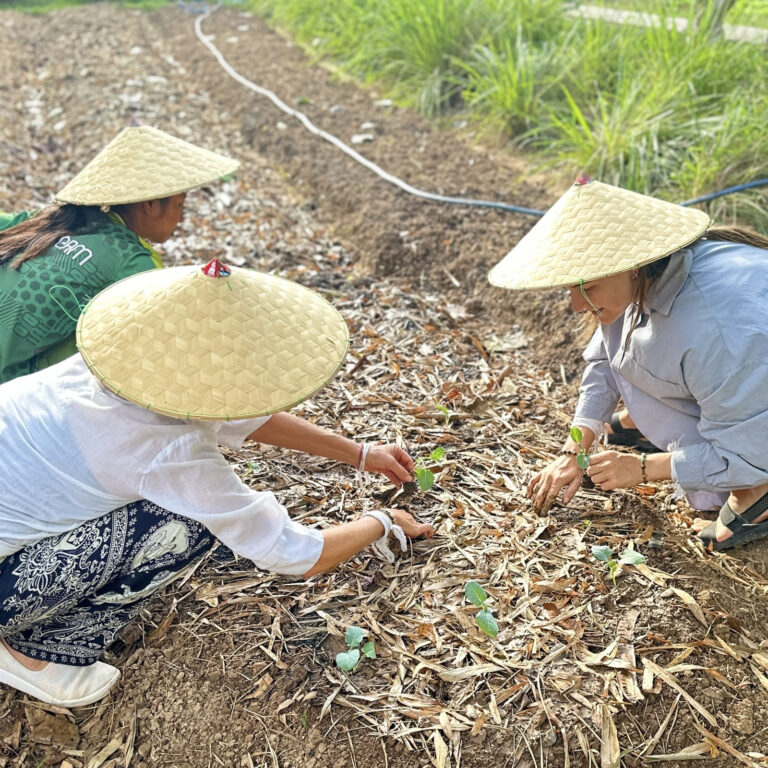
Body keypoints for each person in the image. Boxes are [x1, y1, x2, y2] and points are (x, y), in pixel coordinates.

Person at [0, 261, 433, 707]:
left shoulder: (104, 369)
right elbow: (295, 554)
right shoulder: (168, 448)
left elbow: (239, 414)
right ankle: (31, 652)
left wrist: (360, 454)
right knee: (185, 523)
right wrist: (383, 521)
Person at [487, 179, 768, 552]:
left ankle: (757, 494)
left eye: (584, 287)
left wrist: (640, 468)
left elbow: (747, 452)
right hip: (733, 379)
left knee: (742, 466)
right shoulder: (645, 278)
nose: (575, 304)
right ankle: (667, 415)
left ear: (630, 265)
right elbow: (606, 360)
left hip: (750, 416)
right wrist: (576, 451)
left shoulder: (714, 331)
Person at [0, 124, 239, 384]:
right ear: (150, 204)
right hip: (11, 394)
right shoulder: (132, 260)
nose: (181, 217)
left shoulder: (55, 220)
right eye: (179, 204)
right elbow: (161, 335)